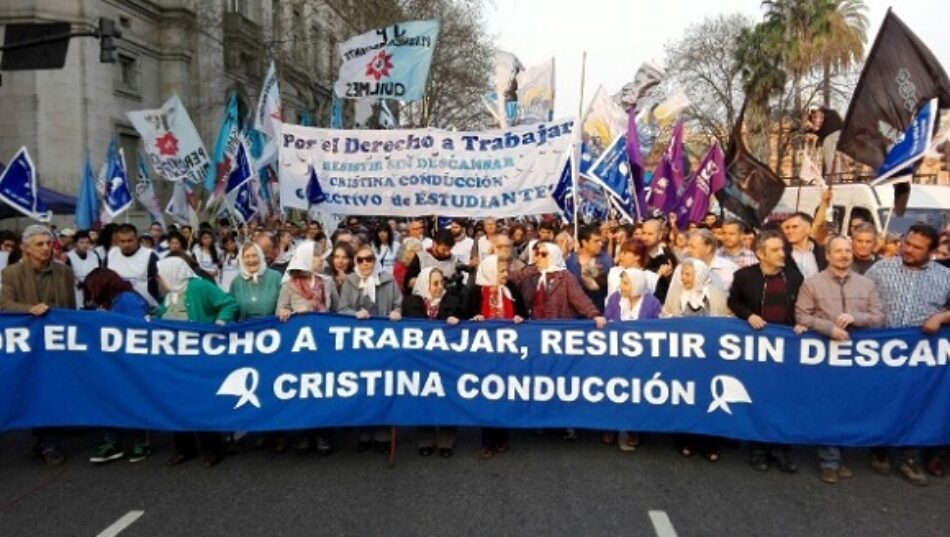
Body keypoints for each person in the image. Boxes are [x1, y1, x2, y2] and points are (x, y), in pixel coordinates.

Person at [795, 235, 884, 484]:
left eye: (848, 250)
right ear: (828, 255)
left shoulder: (866, 285)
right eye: (838, 251)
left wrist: (857, 318)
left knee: (849, 406)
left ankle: (840, 454)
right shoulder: (812, 284)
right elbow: (802, 316)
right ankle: (829, 460)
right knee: (828, 405)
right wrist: (828, 328)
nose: (844, 255)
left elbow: (879, 317)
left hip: (856, 358)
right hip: (825, 356)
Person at [866, 223, 950, 485]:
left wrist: (941, 316)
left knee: (917, 404)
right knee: (883, 400)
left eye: (917, 247)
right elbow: (858, 297)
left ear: (932, 251)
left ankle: (908, 458)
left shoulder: (944, 276)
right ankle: (879, 450)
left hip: (922, 354)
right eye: (907, 243)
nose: (908, 250)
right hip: (882, 351)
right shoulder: (881, 268)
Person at [509, 241, 606, 441]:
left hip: (559, 338)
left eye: (543, 254)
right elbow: (507, 279)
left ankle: (566, 423)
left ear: (552, 255)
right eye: (536, 253)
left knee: (561, 381)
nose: (538, 258)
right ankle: (541, 421)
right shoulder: (531, 274)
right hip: (536, 337)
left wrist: (594, 314)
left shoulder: (566, 277)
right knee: (540, 379)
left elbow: (580, 300)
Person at [728, 230, 803, 474]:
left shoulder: (793, 277)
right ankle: (758, 449)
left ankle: (781, 450)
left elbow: (802, 307)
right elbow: (734, 302)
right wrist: (748, 315)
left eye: (782, 249)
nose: (782, 253)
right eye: (776, 250)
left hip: (785, 351)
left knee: (785, 401)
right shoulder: (743, 277)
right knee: (759, 398)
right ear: (761, 254)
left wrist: (802, 321)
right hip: (755, 351)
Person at [0, 225, 76, 466]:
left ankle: (52, 443)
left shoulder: (64, 272)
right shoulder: (11, 273)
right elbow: (5, 303)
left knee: (52, 389)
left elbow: (71, 308)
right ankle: (42, 438)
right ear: (25, 248)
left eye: (48, 243)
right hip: (28, 345)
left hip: (57, 342)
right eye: (39, 244)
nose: (46, 248)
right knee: (33, 389)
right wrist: (28, 310)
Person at [156, 256, 237, 468]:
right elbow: (163, 316)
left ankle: (211, 448)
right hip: (175, 358)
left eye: (161, 274)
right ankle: (184, 448)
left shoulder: (200, 287)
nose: (158, 279)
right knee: (176, 402)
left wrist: (218, 324)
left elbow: (228, 303)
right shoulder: (170, 295)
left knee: (201, 401)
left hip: (199, 356)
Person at [83, 267, 152, 463]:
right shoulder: (106, 303)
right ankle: (113, 441)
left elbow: (139, 329)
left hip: (130, 361)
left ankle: (140, 441)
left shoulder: (128, 299)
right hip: (109, 362)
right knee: (109, 399)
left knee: (132, 399)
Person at [276, 241, 340, 455]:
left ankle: (323, 435)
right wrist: (284, 312)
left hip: (323, 345)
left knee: (322, 389)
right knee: (302, 390)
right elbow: (281, 308)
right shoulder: (289, 285)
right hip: (300, 347)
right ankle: (304, 434)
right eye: (316, 256)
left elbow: (336, 309)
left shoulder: (327, 283)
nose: (321, 260)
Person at [338, 244, 402, 453]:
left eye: (369, 259)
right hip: (360, 344)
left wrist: (397, 312)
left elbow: (399, 304)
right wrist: (353, 314)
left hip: (384, 342)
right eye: (361, 260)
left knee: (383, 387)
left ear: (375, 261)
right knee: (363, 387)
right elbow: (341, 309)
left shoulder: (388, 280)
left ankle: (383, 434)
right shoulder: (350, 282)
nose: (365, 263)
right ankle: (365, 433)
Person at [465, 255, 527, 458]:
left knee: (505, 393)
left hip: (507, 352)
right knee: (487, 395)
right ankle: (487, 442)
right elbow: (465, 316)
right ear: (490, 271)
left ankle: (502, 437)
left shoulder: (511, 290)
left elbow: (524, 314)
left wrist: (520, 318)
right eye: (501, 271)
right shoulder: (476, 292)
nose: (505, 274)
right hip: (484, 353)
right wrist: (473, 319)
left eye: (505, 271)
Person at [403, 267, 462, 457]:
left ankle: (446, 441)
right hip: (421, 359)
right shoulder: (412, 302)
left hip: (447, 359)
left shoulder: (452, 301)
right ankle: (425, 439)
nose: (439, 287)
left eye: (441, 282)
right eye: (434, 283)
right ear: (424, 284)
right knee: (424, 397)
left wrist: (457, 320)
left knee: (447, 397)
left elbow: (465, 321)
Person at [602, 267, 661, 452]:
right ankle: (610, 427)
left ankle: (634, 430)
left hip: (641, 358)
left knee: (637, 392)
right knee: (613, 390)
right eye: (622, 282)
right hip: (616, 355)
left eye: (626, 283)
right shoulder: (614, 299)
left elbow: (660, 329)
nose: (621, 286)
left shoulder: (652, 303)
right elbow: (606, 320)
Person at [106, 223, 161, 310]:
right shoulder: (111, 254)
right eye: (122, 241)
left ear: (136, 239)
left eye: (130, 240)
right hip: (117, 307)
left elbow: (160, 282)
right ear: (117, 241)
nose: (126, 244)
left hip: (146, 308)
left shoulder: (150, 255)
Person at [566, 224, 613, 312]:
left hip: (599, 310)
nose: (600, 244)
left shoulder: (606, 260)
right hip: (576, 313)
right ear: (584, 242)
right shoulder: (570, 261)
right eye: (596, 241)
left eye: (600, 240)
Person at [230, 242, 281, 321]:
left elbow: (286, 302)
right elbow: (230, 308)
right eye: (247, 256)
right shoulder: (236, 282)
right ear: (241, 259)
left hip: (272, 327)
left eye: (254, 255)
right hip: (246, 329)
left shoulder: (276, 277)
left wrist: (286, 309)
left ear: (260, 256)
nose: (251, 260)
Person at [781, 212, 827, 280]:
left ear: (808, 229)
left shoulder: (823, 253)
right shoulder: (781, 253)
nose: (790, 231)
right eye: (787, 228)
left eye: (795, 227)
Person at [641, 219, 676, 303]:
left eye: (650, 234)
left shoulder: (668, 257)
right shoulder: (636, 253)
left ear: (660, 235)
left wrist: (668, 277)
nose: (645, 237)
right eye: (643, 233)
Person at [65, 230, 102, 309]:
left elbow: (100, 272)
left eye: (87, 242)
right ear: (75, 244)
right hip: (76, 291)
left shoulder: (94, 255)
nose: (85, 245)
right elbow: (67, 275)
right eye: (81, 242)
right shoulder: (68, 257)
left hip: (92, 290)